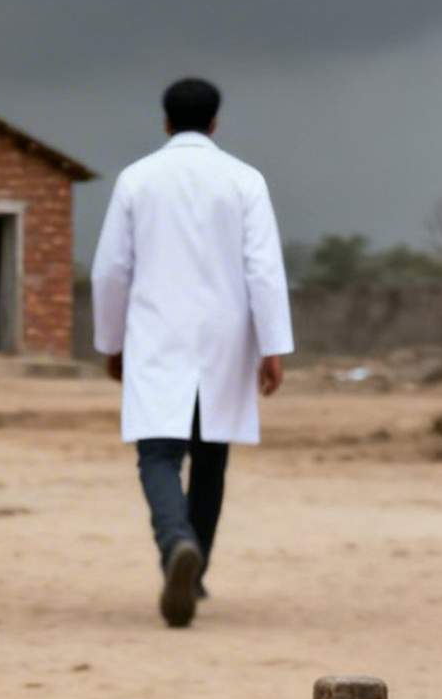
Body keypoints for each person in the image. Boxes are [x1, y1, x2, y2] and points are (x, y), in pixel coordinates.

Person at [91, 78, 293, 626]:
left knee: (157, 455)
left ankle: (176, 543)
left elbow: (111, 270)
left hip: (157, 336)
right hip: (226, 341)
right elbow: (264, 270)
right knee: (210, 459)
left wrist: (111, 342)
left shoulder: (137, 180)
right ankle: (194, 569)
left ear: (164, 121)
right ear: (214, 123)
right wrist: (272, 347)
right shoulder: (244, 180)